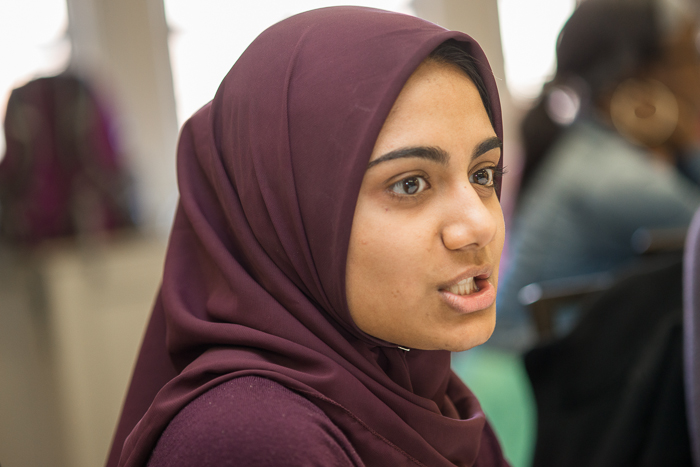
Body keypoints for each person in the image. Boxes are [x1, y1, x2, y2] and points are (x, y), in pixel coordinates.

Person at [106, 6, 509, 467]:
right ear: (287, 213)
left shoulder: (429, 395)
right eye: (409, 184)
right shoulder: (254, 439)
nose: (479, 224)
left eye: (482, 174)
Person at [494, 0, 700, 350]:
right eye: (685, 57)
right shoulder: (612, 178)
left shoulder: (592, 146)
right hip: (522, 373)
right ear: (641, 79)